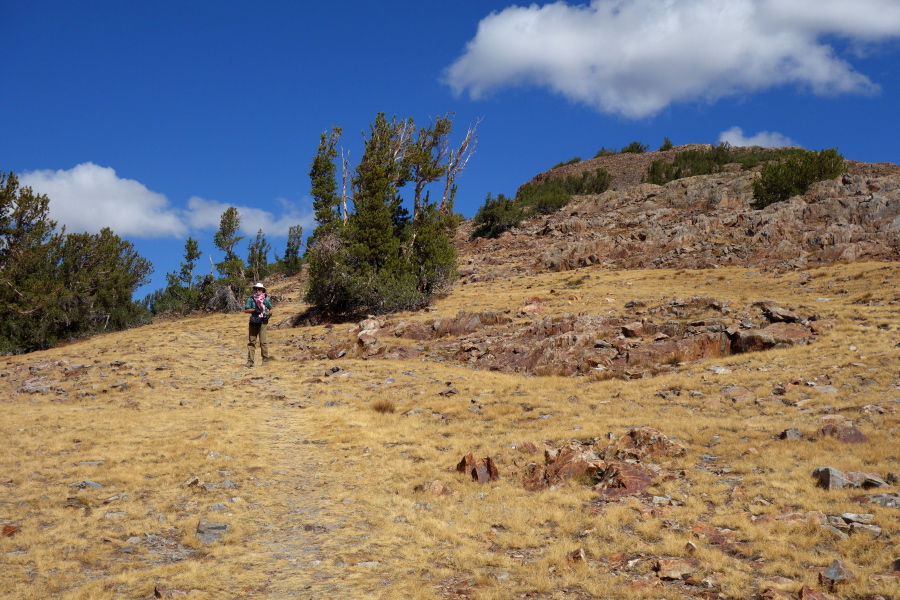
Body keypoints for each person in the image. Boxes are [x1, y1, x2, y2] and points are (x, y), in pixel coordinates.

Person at [244, 282, 274, 367]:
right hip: (253, 321)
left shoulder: (266, 299)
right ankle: (250, 361)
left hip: (263, 322)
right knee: (251, 342)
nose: (257, 290)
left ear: (262, 290)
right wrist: (253, 311)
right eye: (256, 288)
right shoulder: (251, 299)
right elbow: (246, 310)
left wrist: (269, 315)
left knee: (263, 342)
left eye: (259, 289)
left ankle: (265, 360)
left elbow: (270, 308)